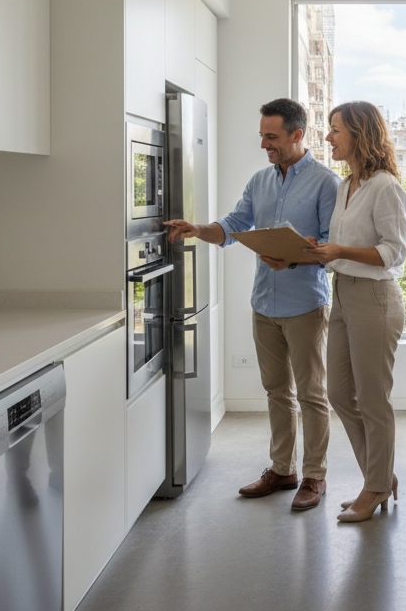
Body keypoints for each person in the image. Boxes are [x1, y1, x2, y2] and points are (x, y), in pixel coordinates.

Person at [163, 98, 340, 511]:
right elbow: (233, 225)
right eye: (262, 135)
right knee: (277, 391)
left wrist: (295, 255)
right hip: (265, 303)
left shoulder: (325, 183)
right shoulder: (260, 181)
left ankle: (315, 476)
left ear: (297, 135)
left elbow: (332, 248)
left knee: (312, 394)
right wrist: (198, 229)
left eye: (272, 136)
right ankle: (282, 469)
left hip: (305, 306)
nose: (264, 144)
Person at [300, 101, 406, 523]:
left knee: (372, 399)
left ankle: (376, 485)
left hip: (374, 299)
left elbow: (392, 253)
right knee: (338, 394)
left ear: (360, 134)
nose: (328, 137)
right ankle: (380, 477)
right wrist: (307, 253)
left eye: (335, 130)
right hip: (343, 292)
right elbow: (339, 249)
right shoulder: (347, 186)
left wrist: (340, 250)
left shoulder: (385, 187)